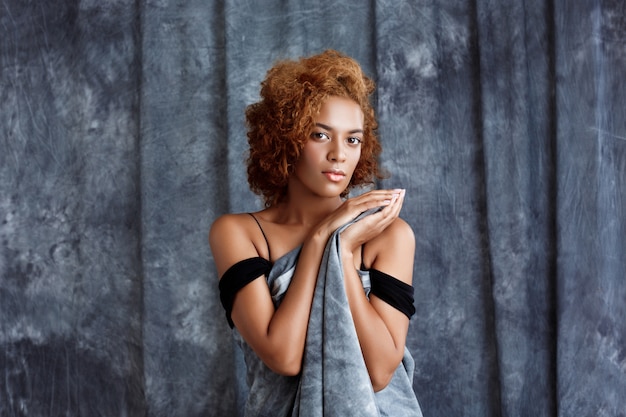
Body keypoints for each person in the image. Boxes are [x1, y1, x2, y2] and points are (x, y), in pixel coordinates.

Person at [210, 50, 422, 417]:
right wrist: (323, 238)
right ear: (285, 139)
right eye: (320, 135)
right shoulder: (238, 232)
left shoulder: (389, 235)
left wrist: (341, 252)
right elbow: (284, 356)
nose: (339, 154)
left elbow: (380, 372)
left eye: (353, 140)